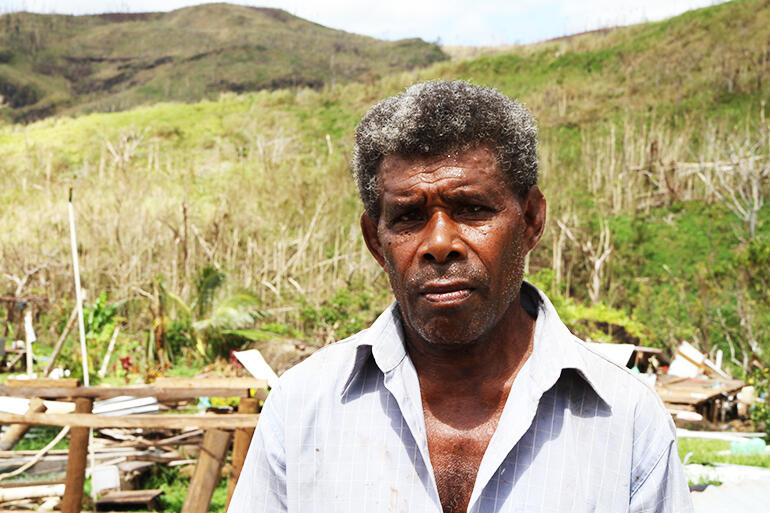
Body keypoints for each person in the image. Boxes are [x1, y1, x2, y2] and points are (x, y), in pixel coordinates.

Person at [228, 80, 694, 513]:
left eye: (471, 209)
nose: (438, 244)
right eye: (409, 216)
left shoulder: (626, 418)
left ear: (531, 220)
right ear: (376, 240)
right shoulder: (303, 406)